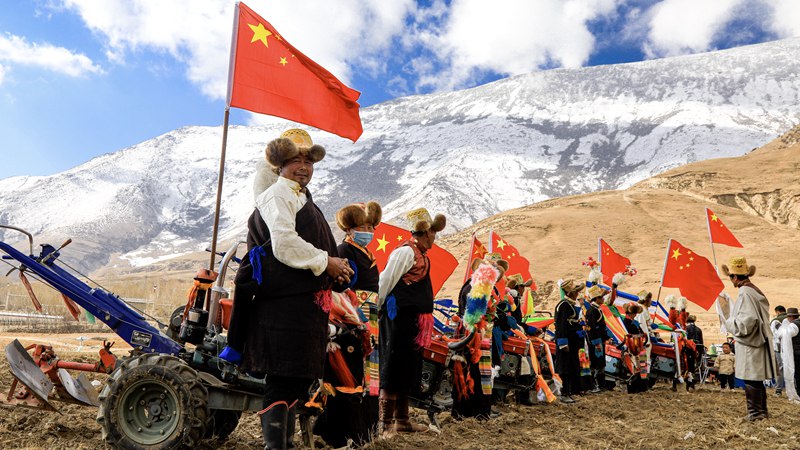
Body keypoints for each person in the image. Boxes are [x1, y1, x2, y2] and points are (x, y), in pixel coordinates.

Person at [226, 129, 354, 449]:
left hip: (306, 307)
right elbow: (284, 244)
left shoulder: (302, 198)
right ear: (279, 166)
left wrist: (337, 269)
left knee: (297, 379)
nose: (304, 166)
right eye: (295, 160)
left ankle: (286, 444)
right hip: (283, 308)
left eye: (308, 161)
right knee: (282, 379)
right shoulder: (278, 195)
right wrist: (327, 262)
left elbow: (315, 246)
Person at [313, 201, 382, 448]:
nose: (369, 231)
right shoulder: (344, 249)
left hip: (370, 317)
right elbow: (340, 289)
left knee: (370, 372)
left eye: (371, 226)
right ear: (350, 228)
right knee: (351, 373)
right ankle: (343, 430)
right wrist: (353, 319)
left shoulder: (368, 254)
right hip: (351, 317)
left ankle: (368, 427)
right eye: (363, 226)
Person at [377, 208, 445, 436]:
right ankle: (386, 424)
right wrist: (376, 308)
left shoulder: (420, 254)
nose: (435, 237)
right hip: (398, 321)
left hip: (412, 324)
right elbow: (386, 280)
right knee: (393, 367)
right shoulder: (405, 253)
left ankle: (402, 420)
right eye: (433, 233)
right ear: (424, 233)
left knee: (407, 369)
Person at [722, 256, 776, 421]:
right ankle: (762, 412)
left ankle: (755, 414)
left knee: (751, 377)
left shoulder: (745, 292)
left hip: (751, 343)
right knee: (755, 378)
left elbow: (748, 321)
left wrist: (729, 320)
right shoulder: (753, 290)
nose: (731, 280)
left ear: (735, 277)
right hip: (757, 341)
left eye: (731, 276)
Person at [554, 279, 584, 403]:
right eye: (576, 292)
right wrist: (563, 342)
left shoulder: (570, 305)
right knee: (564, 367)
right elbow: (561, 325)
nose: (577, 294)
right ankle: (563, 393)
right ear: (570, 294)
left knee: (571, 366)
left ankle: (569, 392)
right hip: (566, 343)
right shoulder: (564, 305)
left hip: (573, 342)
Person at [621, 302, 649, 393]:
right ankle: (635, 387)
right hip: (632, 348)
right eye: (634, 313)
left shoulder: (634, 322)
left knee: (642, 367)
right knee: (634, 367)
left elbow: (640, 332)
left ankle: (642, 386)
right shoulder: (625, 322)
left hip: (639, 347)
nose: (635, 314)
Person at [585, 285, 608, 393]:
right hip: (596, 342)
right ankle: (593, 386)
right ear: (597, 299)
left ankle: (601, 385)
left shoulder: (596, 309)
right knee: (595, 363)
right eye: (601, 297)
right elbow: (592, 329)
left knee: (600, 363)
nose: (603, 299)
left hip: (600, 340)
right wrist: (596, 342)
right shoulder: (591, 311)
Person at [776, 307, 800, 403]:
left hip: (797, 353)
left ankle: (798, 393)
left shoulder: (794, 325)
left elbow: (786, 333)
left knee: (798, 374)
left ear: (790, 317)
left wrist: (779, 328)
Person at [770, 305, 787, 397]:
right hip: (791, 348)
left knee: (780, 369)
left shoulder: (775, 321)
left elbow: (773, 335)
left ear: (777, 312)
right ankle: (795, 389)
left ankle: (778, 390)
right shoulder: (792, 319)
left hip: (778, 348)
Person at [685, 315, 705, 390]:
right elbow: (701, 341)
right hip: (697, 350)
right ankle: (691, 383)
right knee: (693, 367)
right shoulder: (698, 329)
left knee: (687, 367)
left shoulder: (686, 328)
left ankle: (689, 383)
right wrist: (701, 351)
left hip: (687, 350)